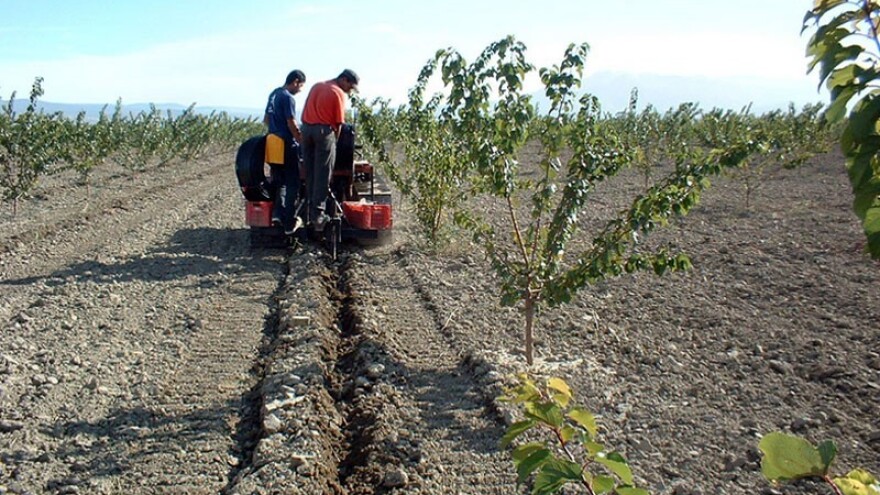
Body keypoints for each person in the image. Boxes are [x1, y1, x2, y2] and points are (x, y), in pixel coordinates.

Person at [300, 68, 359, 231]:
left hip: (306, 130)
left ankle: (308, 210)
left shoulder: (317, 86)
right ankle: (318, 215)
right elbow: (339, 123)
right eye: (350, 87)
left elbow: (304, 112)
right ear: (344, 80)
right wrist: (335, 143)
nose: (349, 91)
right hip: (323, 133)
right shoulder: (337, 92)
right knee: (323, 173)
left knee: (310, 172)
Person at [264, 69, 306, 234]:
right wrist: (300, 140)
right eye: (300, 86)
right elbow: (291, 123)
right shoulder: (288, 98)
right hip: (286, 144)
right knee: (292, 182)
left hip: (272, 142)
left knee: (278, 181)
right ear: (295, 81)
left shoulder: (273, 94)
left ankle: (277, 214)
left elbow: (267, 119)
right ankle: (289, 221)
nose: (300, 90)